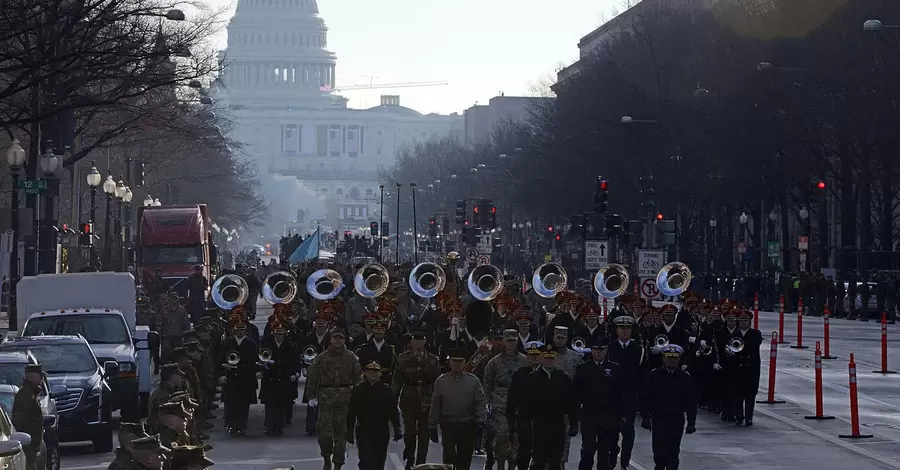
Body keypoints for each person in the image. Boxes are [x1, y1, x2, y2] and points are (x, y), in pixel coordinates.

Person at [506, 344, 577, 470]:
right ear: (541, 358)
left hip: (558, 423)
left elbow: (571, 402)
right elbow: (524, 403)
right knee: (538, 459)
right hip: (539, 424)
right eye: (546, 357)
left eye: (551, 357)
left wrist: (574, 423)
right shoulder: (532, 378)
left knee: (556, 458)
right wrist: (521, 423)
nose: (549, 360)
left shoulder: (563, 377)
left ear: (555, 358)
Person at [307, 328, 362, 470]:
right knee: (324, 434)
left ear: (344, 340)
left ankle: (338, 464)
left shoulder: (351, 358)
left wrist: (358, 399)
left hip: (345, 400)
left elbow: (358, 379)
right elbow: (313, 376)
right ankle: (326, 457)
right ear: (331, 340)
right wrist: (311, 396)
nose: (338, 341)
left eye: (341, 338)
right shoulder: (322, 357)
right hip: (326, 398)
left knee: (341, 435)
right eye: (335, 338)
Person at [428, 347, 487, 470]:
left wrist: (481, 419)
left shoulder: (473, 381)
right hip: (449, 424)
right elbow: (436, 404)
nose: (457, 364)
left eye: (460, 361)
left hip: (467, 424)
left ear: (464, 362)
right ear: (450, 363)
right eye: (454, 361)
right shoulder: (441, 381)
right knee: (449, 456)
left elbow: (480, 401)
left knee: (465, 457)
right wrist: (432, 425)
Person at [641, 345, 697, 470]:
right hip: (659, 418)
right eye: (669, 357)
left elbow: (691, 402)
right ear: (664, 359)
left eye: (675, 358)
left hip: (676, 419)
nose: (672, 360)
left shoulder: (685, 377)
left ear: (679, 359)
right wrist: (645, 417)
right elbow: (646, 397)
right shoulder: (654, 375)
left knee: (673, 452)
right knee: (659, 452)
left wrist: (691, 423)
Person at [391, 328, 441, 469]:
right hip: (409, 396)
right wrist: (392, 400)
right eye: (415, 340)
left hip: (427, 398)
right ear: (411, 342)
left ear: (425, 342)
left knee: (424, 434)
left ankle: (420, 462)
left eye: (421, 340)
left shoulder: (432, 359)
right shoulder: (403, 358)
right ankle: (410, 453)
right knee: (410, 432)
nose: (418, 343)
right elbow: (397, 381)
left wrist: (438, 402)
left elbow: (438, 382)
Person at [482, 329, 526, 470]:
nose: (511, 343)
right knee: (501, 440)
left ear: (517, 341)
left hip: (519, 407)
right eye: (508, 340)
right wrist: (487, 405)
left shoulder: (524, 361)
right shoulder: (494, 362)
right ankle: (500, 466)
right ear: (504, 342)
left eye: (513, 340)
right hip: (499, 406)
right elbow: (487, 384)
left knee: (516, 442)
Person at [574, 339, 622, 470]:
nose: (598, 352)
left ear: (606, 350)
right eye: (596, 349)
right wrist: (575, 415)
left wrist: (619, 417)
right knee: (588, 450)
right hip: (589, 413)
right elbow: (577, 393)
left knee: (604, 453)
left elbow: (619, 394)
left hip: (608, 414)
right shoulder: (583, 368)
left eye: (601, 350)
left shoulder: (614, 368)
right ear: (592, 351)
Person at [347, 361, 403, 469]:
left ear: (380, 374)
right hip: (364, 429)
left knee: (379, 460)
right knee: (365, 459)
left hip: (381, 429)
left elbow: (393, 411)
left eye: (376, 372)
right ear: (366, 373)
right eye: (371, 371)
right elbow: (352, 411)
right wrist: (349, 430)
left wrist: (397, 428)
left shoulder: (386, 390)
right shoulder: (358, 390)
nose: (373, 374)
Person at [605, 316, 643, 470]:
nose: (625, 331)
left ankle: (625, 463)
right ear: (617, 330)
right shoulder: (609, 348)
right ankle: (612, 457)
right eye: (622, 328)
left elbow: (642, 375)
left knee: (628, 431)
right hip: (612, 396)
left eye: (628, 328)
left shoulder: (638, 349)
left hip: (630, 395)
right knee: (612, 431)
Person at [506, 340, 543, 468]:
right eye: (531, 354)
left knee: (540, 454)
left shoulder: (547, 374)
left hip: (542, 420)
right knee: (523, 453)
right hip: (524, 420)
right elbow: (512, 398)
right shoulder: (520, 374)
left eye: (537, 354)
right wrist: (510, 419)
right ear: (527, 356)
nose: (534, 357)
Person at [258, 321, 299, 436]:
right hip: (270, 376)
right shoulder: (267, 343)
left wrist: (295, 373)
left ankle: (279, 426)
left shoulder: (290, 345)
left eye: (281, 334)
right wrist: (262, 368)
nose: (279, 336)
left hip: (284, 377)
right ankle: (269, 426)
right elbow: (261, 358)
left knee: (281, 404)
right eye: (277, 334)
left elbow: (295, 361)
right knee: (269, 403)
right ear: (274, 334)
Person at [222, 321, 259, 436]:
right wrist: (223, 369)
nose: (240, 332)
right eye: (238, 330)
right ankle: (232, 425)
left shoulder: (251, 343)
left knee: (244, 404)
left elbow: (254, 361)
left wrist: (256, 372)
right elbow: (221, 358)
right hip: (231, 377)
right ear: (235, 331)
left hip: (245, 377)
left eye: (242, 330)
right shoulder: (228, 343)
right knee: (231, 403)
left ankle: (242, 426)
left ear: (245, 331)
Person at [12, 364, 44, 470]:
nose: (42, 380)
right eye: (40, 377)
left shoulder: (31, 394)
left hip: (31, 447)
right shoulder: (25, 395)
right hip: (27, 448)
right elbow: (20, 422)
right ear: (33, 377)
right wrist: (29, 445)